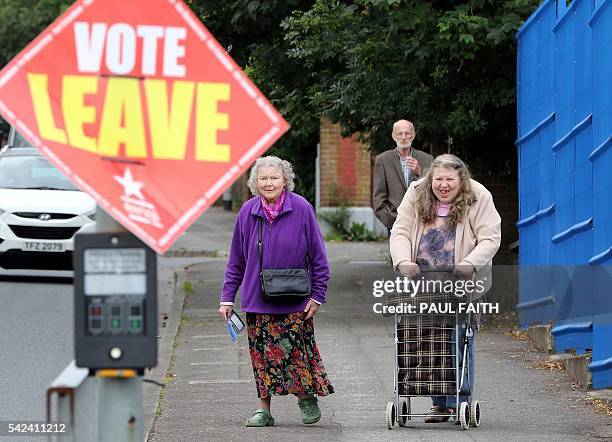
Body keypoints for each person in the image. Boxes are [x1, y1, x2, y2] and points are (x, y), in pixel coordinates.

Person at [219, 156, 334, 428]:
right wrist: (227, 297)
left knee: (297, 353)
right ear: (254, 183)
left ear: (285, 181)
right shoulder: (247, 211)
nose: (268, 183)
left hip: (295, 298)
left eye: (274, 178)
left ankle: (305, 397)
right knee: (261, 356)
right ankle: (264, 410)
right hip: (257, 300)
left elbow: (318, 257)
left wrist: (317, 295)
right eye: (263, 178)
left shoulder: (302, 208)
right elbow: (236, 259)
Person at [389, 154, 501, 423]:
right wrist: (403, 261)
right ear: (430, 178)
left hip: (463, 280)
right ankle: (439, 402)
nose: (443, 185)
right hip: (424, 279)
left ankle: (458, 400)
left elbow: (490, 237)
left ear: (461, 179)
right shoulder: (416, 192)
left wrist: (469, 263)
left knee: (459, 336)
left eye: (450, 179)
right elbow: (401, 230)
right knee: (428, 339)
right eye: (438, 179)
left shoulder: (478, 195)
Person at [373, 119, 434, 232]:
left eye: (407, 133)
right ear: (393, 136)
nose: (404, 137)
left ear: (413, 135)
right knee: (398, 250)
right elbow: (378, 195)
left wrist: (419, 172)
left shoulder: (427, 159)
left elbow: (431, 190)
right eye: (400, 133)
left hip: (421, 221)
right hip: (395, 221)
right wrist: (388, 219)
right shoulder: (383, 160)